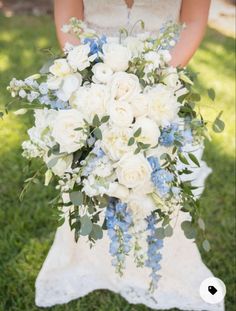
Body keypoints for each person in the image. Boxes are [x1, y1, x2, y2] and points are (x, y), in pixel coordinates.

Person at [35, 1, 224, 310]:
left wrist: (156, 83)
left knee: (155, 178)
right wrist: (87, 77)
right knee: (94, 171)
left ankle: (152, 260)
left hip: (164, 72)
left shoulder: (162, 77)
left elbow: (192, 20)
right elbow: (69, 18)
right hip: (92, 78)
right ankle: (88, 255)